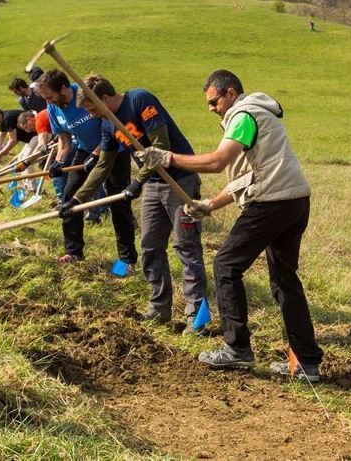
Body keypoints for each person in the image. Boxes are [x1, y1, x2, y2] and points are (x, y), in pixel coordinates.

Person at [137, 70, 323, 379]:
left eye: (213, 101)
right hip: (294, 201)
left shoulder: (244, 115)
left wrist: (168, 158)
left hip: (272, 203)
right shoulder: (258, 116)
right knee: (284, 280)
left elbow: (217, 162)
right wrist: (209, 204)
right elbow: (244, 176)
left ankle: (237, 350)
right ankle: (307, 363)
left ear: (231, 93)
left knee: (225, 265)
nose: (211, 109)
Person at [76, 74, 209, 331]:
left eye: (93, 108)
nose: (92, 115)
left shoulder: (140, 100)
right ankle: (159, 308)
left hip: (178, 180)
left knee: (186, 247)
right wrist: (77, 198)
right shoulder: (107, 124)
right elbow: (104, 165)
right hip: (152, 185)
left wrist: (137, 181)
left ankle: (196, 316)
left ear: (104, 98)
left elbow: (161, 146)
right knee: (150, 246)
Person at [36, 69, 134, 265]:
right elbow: (64, 140)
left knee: (118, 204)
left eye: (50, 97)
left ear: (64, 87)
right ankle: (74, 253)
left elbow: (112, 126)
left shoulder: (86, 95)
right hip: (84, 150)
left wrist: (97, 154)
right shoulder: (53, 108)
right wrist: (60, 161)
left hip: (115, 150)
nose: (49, 102)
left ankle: (126, 262)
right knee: (69, 197)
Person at [0, 104, 36, 169]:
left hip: (37, 136)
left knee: (24, 161)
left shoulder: (7, 118)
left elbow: (13, 140)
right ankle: (28, 179)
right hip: (31, 140)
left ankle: (29, 179)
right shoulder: (3, 121)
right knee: (20, 159)